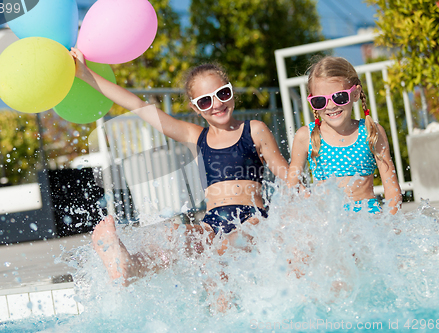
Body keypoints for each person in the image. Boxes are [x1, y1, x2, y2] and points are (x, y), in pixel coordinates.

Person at [69, 48, 289, 284]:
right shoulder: (197, 136)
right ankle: (130, 266)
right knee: (173, 237)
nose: (216, 104)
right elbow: (137, 105)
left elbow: (287, 176)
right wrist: (84, 73)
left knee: (222, 251)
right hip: (212, 223)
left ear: (232, 93)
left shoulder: (253, 130)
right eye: (205, 101)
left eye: (222, 94)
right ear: (195, 108)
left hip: (253, 220)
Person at [288, 56, 402, 214]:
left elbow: (392, 190)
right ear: (312, 102)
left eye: (339, 97)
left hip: (366, 217)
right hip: (327, 219)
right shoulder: (306, 136)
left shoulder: (371, 132)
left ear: (355, 94)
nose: (331, 106)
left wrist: (390, 224)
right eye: (320, 101)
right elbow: (291, 186)